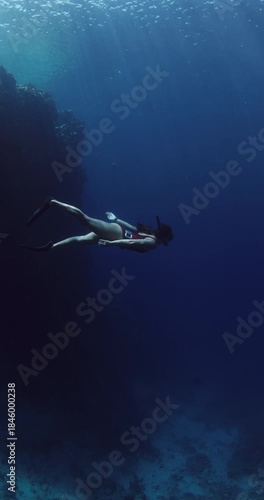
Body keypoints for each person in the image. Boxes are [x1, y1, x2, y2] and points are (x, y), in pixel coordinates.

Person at [20, 197, 174, 253]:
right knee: (85, 219)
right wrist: (111, 244)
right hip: (115, 235)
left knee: (80, 241)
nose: (164, 243)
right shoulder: (152, 243)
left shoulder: (150, 234)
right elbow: (131, 241)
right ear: (164, 238)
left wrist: (116, 219)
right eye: (166, 241)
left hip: (115, 232)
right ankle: (52, 202)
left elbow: (133, 229)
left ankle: (51, 247)